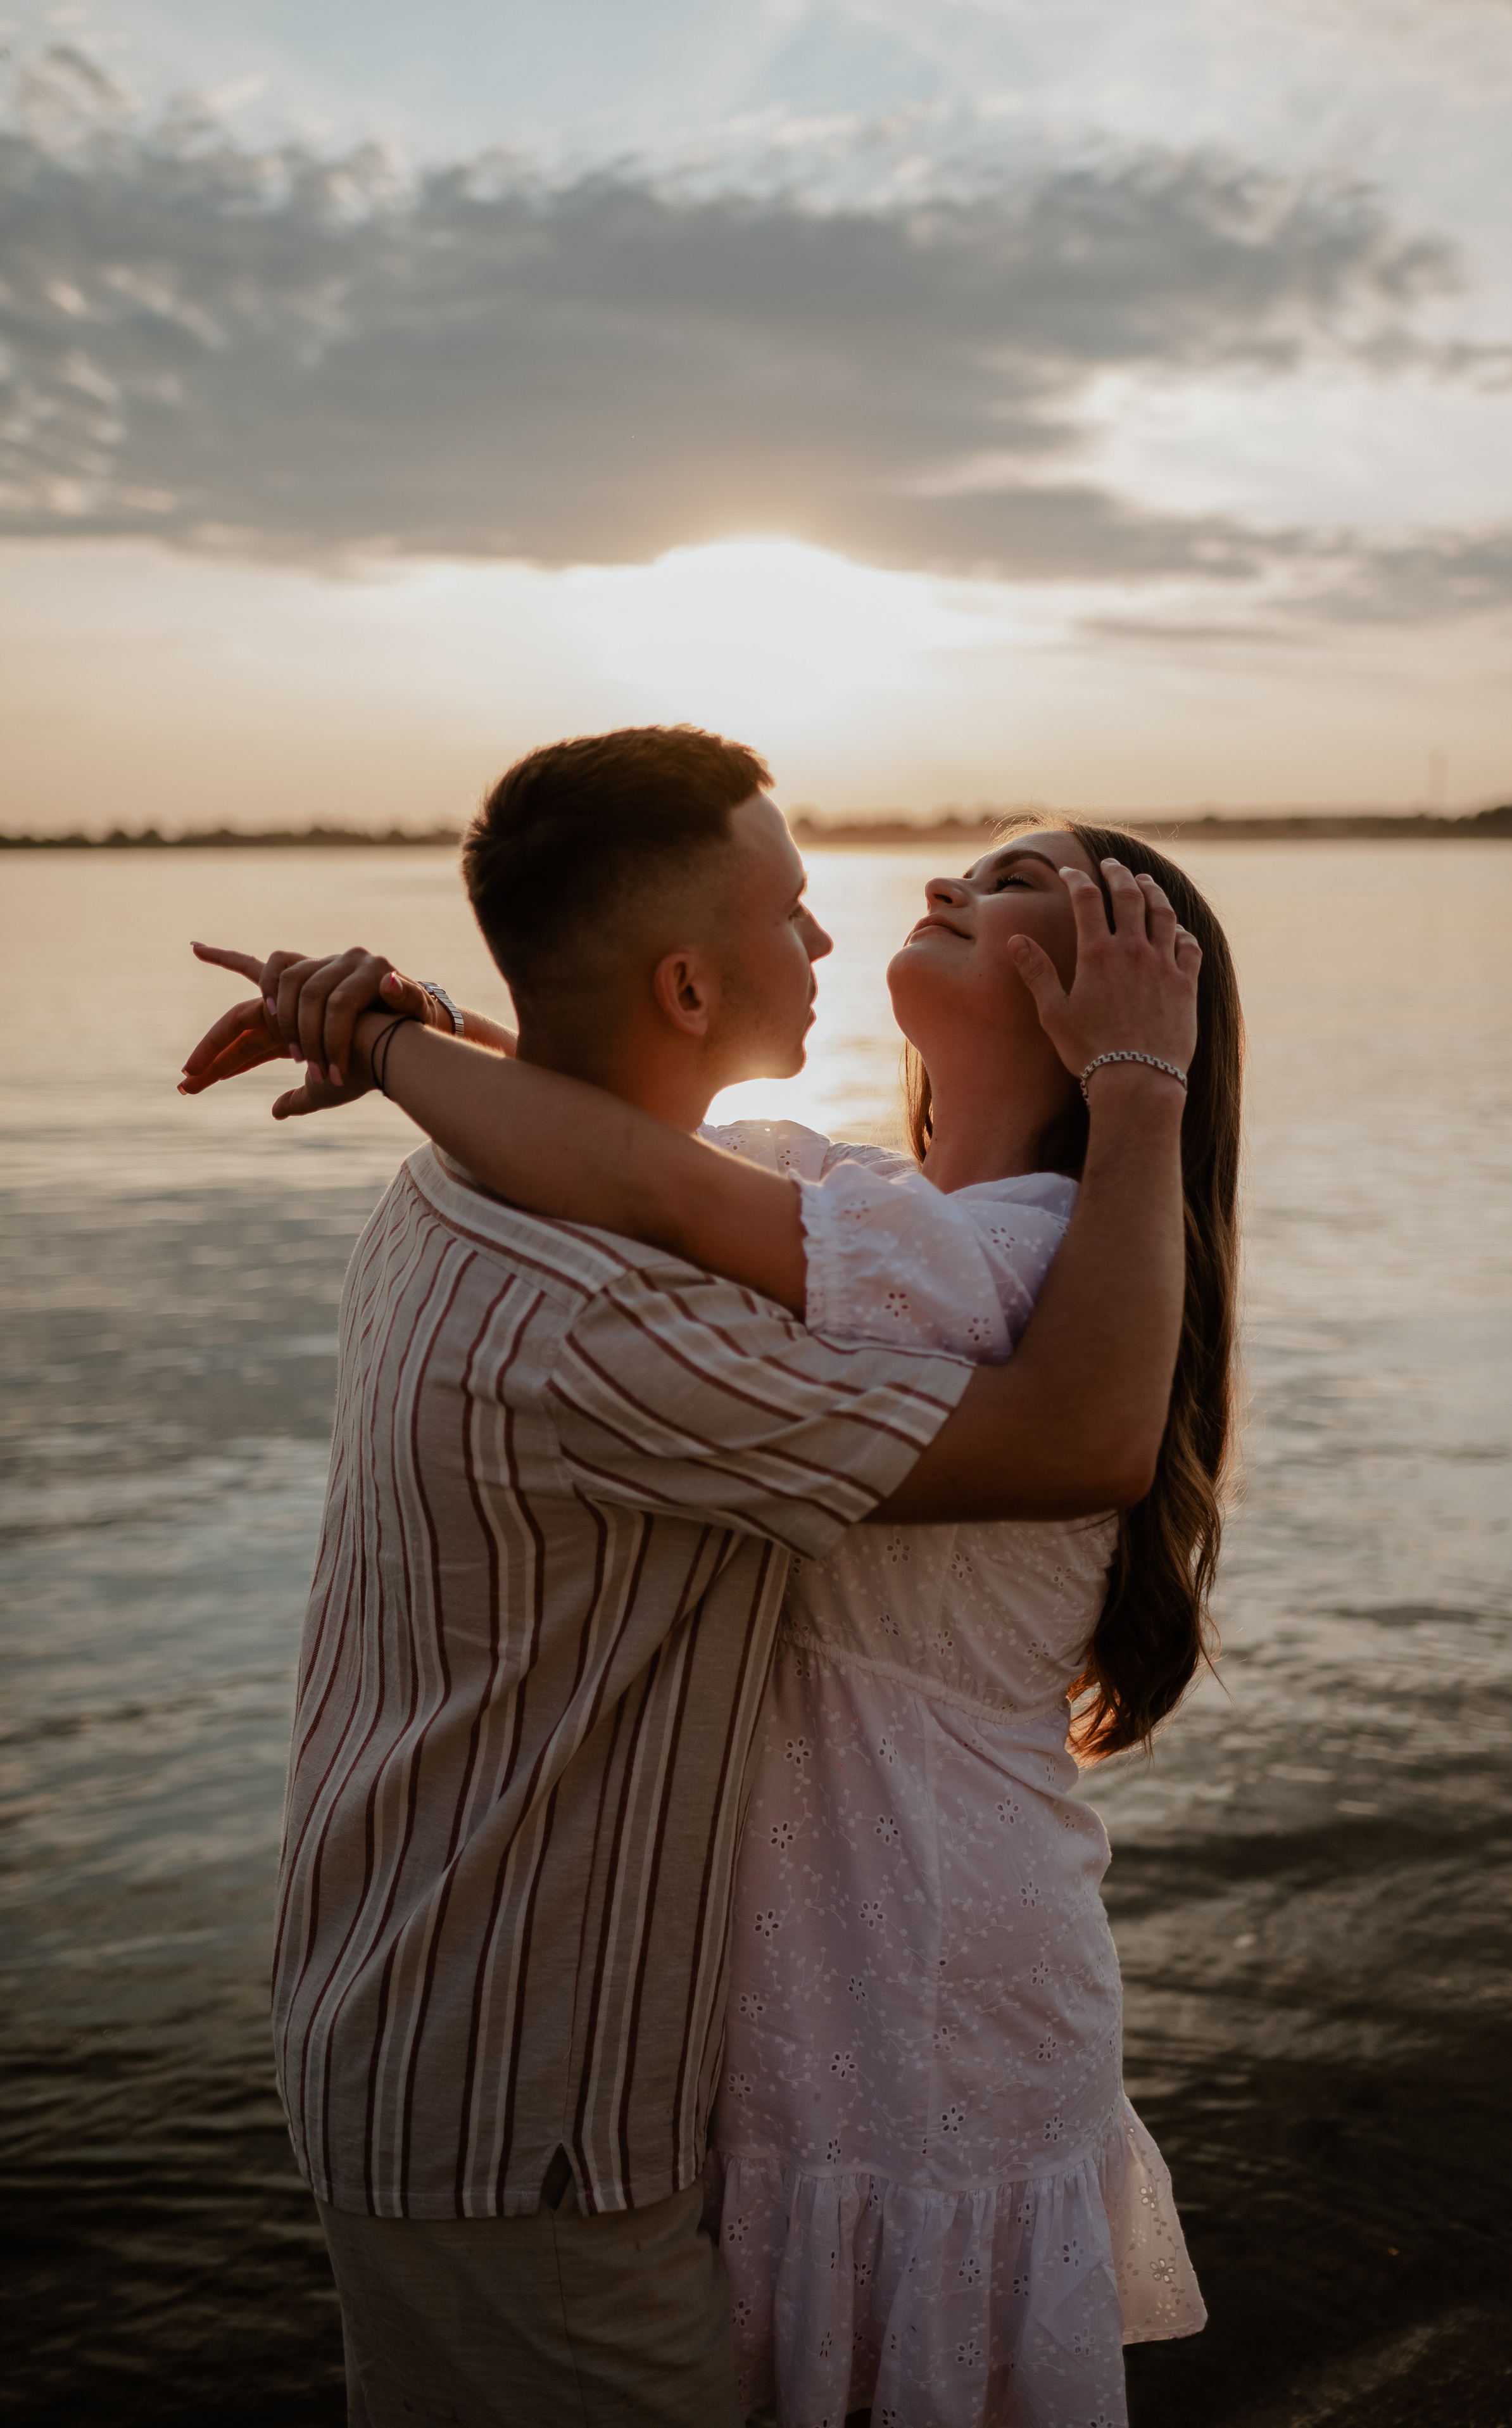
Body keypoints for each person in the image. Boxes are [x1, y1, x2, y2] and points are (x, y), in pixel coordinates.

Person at [181, 726, 1202, 2428]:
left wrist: (395, 1036)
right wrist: (396, 1031)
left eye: (1019, 883)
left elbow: (658, 1177)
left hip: (859, 1990)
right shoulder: (703, 1276)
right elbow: (662, 1180)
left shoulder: (489, 1209)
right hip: (549, 2090)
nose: (891, 904)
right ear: (682, 979)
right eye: (791, 910)